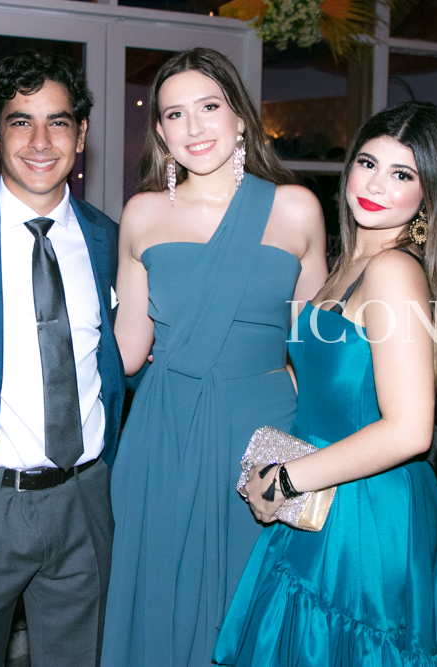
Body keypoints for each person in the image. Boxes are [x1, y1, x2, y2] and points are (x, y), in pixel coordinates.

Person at [213, 101, 437, 666]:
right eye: (368, 163)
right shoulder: (348, 265)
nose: (376, 185)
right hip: (326, 494)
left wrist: (286, 480)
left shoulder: (392, 270)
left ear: (429, 196)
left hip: (366, 512)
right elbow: (318, 379)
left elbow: (410, 430)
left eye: (402, 174)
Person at [102, 48, 328, 667]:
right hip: (163, 433)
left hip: (262, 433)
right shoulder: (143, 212)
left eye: (209, 107)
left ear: (241, 117)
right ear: (160, 131)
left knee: (249, 602)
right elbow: (127, 351)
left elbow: (315, 347)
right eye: (175, 114)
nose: (194, 127)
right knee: (161, 603)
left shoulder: (295, 207)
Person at [0, 52, 124, 666]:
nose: (40, 141)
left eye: (58, 122)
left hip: (86, 498)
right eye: (20, 122)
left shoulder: (111, 239)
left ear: (81, 135)